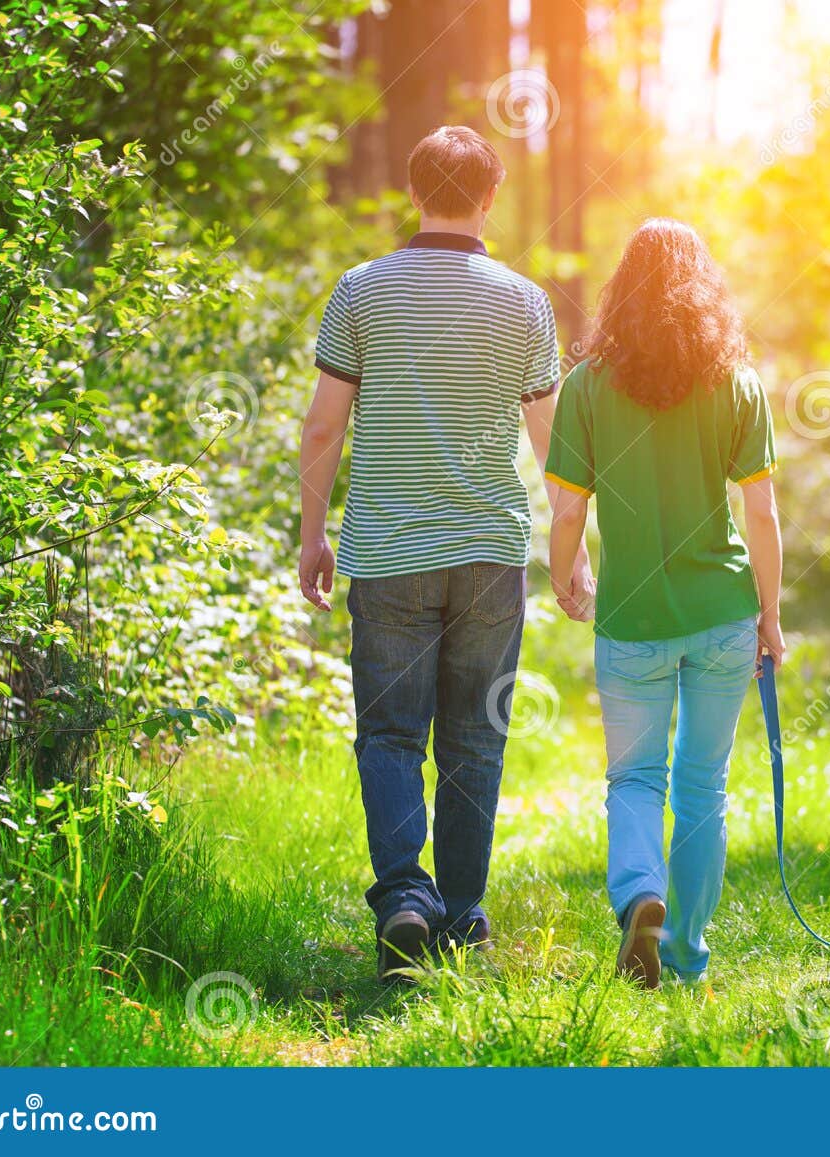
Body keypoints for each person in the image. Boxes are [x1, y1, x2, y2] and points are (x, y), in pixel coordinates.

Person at [297, 126, 594, 982]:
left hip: (387, 553)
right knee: (477, 736)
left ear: (412, 188)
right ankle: (461, 916)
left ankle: (403, 901)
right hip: (489, 557)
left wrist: (314, 534)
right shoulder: (525, 302)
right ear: (491, 197)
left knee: (390, 733)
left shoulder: (361, 290)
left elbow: (324, 425)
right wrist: (573, 551)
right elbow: (556, 447)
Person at [545, 218, 786, 990]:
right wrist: (770, 618)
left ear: (622, 293)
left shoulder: (584, 387)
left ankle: (639, 894)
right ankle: (683, 951)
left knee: (636, 779)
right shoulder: (737, 383)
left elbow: (567, 513)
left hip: (633, 619)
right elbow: (764, 516)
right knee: (702, 787)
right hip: (723, 613)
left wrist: (564, 579)